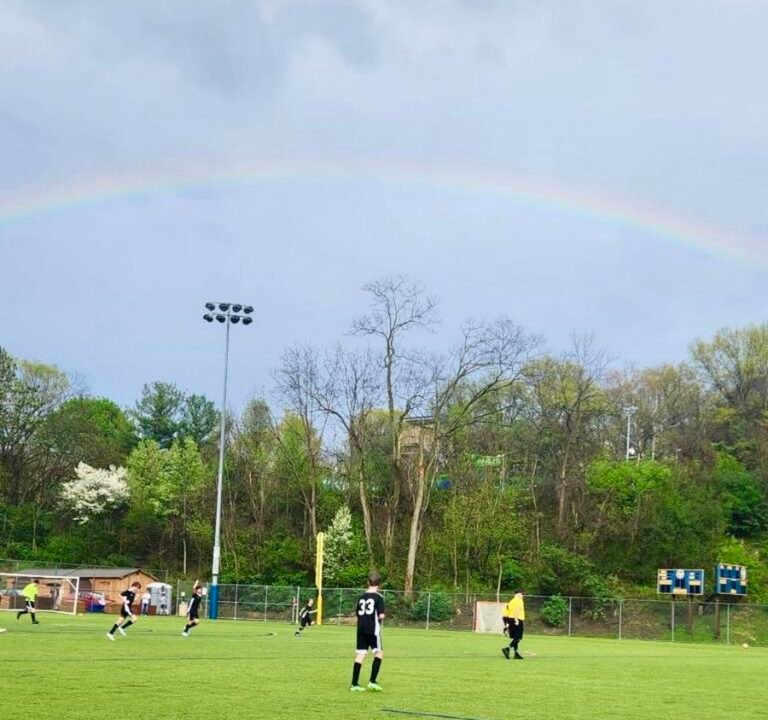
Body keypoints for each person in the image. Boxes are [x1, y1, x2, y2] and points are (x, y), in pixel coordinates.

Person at [350, 571, 385, 692]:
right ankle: (372, 681)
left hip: (361, 629)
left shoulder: (361, 597)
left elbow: (358, 613)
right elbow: (381, 616)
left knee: (360, 655)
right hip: (373, 630)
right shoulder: (379, 598)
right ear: (379, 584)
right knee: (379, 653)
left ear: (367, 582)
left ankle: (354, 684)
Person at [502, 589, 525, 660]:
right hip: (517, 619)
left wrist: (507, 623)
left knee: (515, 637)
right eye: (522, 594)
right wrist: (516, 619)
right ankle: (507, 648)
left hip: (510, 619)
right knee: (517, 637)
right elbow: (517, 610)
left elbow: (506, 612)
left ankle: (516, 653)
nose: (523, 596)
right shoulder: (519, 600)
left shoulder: (511, 601)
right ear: (518, 594)